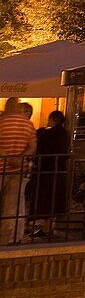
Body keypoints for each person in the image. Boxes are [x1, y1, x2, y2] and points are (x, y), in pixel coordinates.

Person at [25, 111, 68, 239]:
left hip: (47, 172)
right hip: (59, 170)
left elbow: (41, 148)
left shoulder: (47, 134)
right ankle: (47, 227)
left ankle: (42, 226)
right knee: (53, 201)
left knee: (45, 199)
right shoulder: (64, 134)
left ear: (52, 120)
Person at [0, 98, 37, 244]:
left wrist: (8, 158)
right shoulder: (27, 124)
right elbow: (32, 146)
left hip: (1, 167)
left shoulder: (1, 122)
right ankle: (5, 239)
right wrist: (21, 158)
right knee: (11, 206)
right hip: (18, 169)